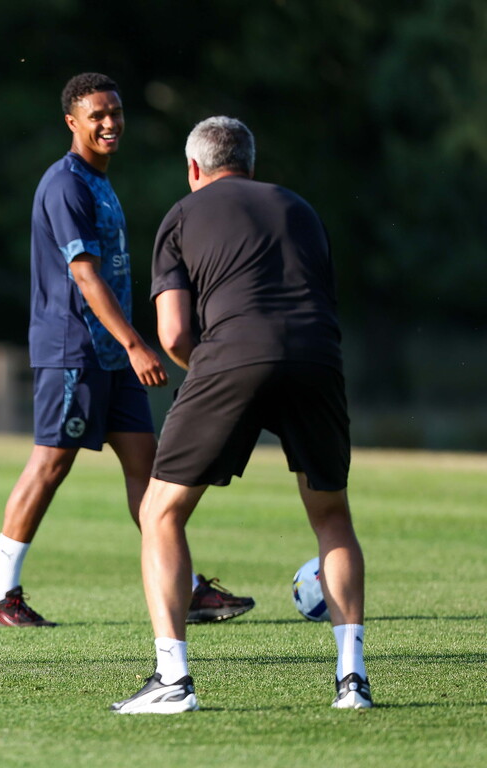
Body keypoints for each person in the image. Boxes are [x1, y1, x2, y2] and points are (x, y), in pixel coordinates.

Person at [0, 74, 254, 630]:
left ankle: (188, 587)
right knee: (51, 463)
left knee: (148, 470)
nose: (109, 123)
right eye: (96, 114)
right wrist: (135, 343)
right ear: (72, 122)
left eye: (116, 112)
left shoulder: (100, 181)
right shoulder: (66, 184)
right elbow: (83, 274)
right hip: (73, 348)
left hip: (113, 355)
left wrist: (126, 347)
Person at [111, 116, 370, 714]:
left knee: (161, 511)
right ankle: (351, 681)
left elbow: (174, 331)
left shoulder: (182, 213)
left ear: (194, 169)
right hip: (318, 357)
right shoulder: (300, 208)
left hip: (231, 356)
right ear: (250, 165)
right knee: (332, 516)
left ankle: (173, 681)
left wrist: (209, 374)